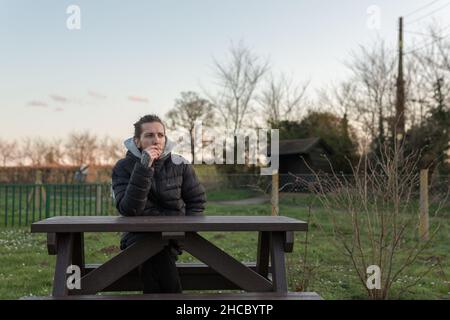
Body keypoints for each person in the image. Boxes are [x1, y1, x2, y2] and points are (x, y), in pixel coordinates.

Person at [111, 114, 206, 293]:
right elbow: (128, 209)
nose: (156, 140)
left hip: (174, 235)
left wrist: (186, 230)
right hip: (139, 236)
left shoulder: (181, 164)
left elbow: (197, 201)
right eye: (149, 135)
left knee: (157, 258)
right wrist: (144, 167)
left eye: (160, 135)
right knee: (156, 255)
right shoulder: (123, 167)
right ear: (137, 141)